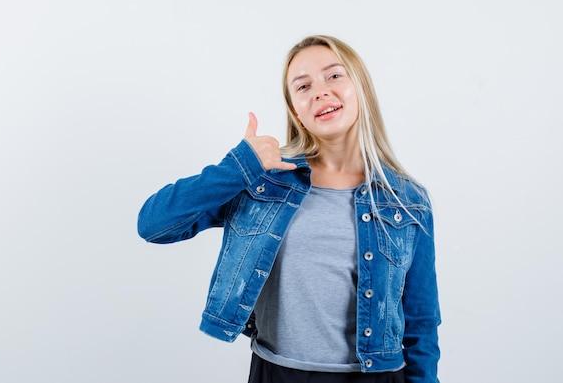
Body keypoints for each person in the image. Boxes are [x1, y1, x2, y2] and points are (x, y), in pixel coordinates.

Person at [137, 35, 441, 383]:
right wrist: (238, 167)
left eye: (334, 76)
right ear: (297, 111)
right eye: (303, 86)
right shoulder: (265, 181)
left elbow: (421, 320)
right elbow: (153, 224)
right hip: (277, 373)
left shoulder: (408, 200)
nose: (320, 91)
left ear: (361, 88)